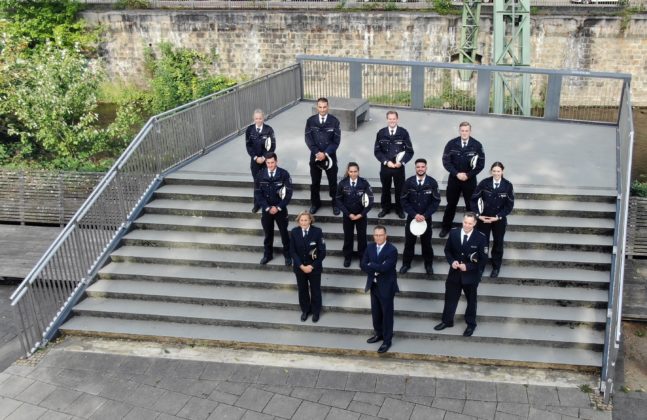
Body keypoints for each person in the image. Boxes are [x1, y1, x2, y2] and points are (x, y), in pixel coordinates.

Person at [434, 212, 488, 337]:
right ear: (462, 221)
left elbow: (483, 259)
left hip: (471, 275)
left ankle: (471, 324)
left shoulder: (481, 237)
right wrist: (451, 261)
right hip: (454, 273)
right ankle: (447, 321)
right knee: (450, 298)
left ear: (474, 223)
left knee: (471, 301)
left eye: (470, 223)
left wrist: (468, 266)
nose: (467, 225)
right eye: (465, 222)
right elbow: (447, 250)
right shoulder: (454, 233)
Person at [439, 121, 485, 238]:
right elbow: (446, 161)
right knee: (451, 204)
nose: (464, 133)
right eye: (462, 131)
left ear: (470, 131)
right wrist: (456, 173)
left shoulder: (477, 145)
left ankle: (473, 229)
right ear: (459, 131)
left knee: (471, 206)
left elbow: (481, 164)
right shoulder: (451, 144)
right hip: (454, 179)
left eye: (467, 131)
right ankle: (446, 227)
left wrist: (468, 175)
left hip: (470, 181)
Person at [470, 162, 514, 278]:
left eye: (498, 171)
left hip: (498, 220)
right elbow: (474, 199)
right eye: (494, 171)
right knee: (483, 244)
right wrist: (478, 215)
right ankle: (480, 266)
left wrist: (498, 217)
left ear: (502, 172)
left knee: (498, 244)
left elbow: (509, 206)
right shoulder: (484, 183)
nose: (496, 173)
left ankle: (496, 267)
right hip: (484, 219)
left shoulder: (508, 185)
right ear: (491, 171)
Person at [361, 225, 399, 353]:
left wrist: (371, 265)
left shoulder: (392, 250)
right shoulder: (370, 247)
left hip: (387, 287)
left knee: (387, 315)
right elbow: (362, 264)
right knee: (376, 312)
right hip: (374, 284)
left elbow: (385, 268)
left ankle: (387, 341)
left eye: (380, 235)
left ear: (385, 235)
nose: (378, 237)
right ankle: (379, 334)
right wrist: (375, 267)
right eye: (376, 235)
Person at [400, 158, 441, 276]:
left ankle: (428, 265)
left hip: (426, 219)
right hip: (412, 218)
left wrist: (425, 215)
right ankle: (406, 264)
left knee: (426, 244)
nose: (420, 169)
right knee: (409, 243)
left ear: (426, 168)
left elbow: (436, 202)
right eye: (418, 167)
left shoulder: (432, 183)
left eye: (423, 167)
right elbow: (403, 200)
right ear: (415, 168)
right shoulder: (408, 182)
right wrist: (414, 214)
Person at [254, 153, 293, 266]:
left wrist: (278, 207)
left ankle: (287, 255)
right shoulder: (260, 175)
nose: (270, 165)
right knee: (268, 234)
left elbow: (289, 193)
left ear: (276, 161)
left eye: (272, 162)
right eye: (268, 163)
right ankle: (267, 255)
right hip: (267, 211)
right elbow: (258, 193)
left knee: (284, 233)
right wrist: (267, 207)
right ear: (265, 162)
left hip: (280, 209)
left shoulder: (284, 174)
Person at [374, 110, 414, 219]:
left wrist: (401, 162)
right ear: (387, 120)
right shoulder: (381, 133)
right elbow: (377, 151)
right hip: (386, 167)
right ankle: (385, 208)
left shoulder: (403, 133)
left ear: (397, 119)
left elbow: (410, 151)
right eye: (390, 119)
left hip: (399, 168)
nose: (392, 121)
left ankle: (399, 209)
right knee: (385, 188)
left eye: (394, 119)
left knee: (400, 189)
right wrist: (386, 162)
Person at [305, 97, 341, 215]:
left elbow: (336, 141)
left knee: (333, 182)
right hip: (315, 156)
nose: (322, 109)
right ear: (317, 107)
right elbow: (308, 139)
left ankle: (335, 204)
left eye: (324, 107)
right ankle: (315, 203)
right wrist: (317, 153)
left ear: (328, 107)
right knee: (315, 182)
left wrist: (325, 153)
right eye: (320, 107)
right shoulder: (310, 121)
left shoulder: (335, 121)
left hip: (330, 156)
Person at [289, 211, 327, 323]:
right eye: (301, 220)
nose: (304, 222)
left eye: (306, 220)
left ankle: (316, 312)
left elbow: (322, 252)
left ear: (310, 220)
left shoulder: (317, 232)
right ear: (298, 221)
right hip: (299, 268)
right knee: (302, 290)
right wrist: (301, 266)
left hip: (314, 268)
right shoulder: (294, 232)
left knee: (315, 290)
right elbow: (292, 251)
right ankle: (305, 310)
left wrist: (311, 266)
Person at [335, 162, 374, 268]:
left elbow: (370, 201)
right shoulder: (342, 183)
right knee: (348, 237)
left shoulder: (364, 183)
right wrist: (348, 214)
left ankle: (363, 258)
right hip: (348, 216)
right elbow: (338, 200)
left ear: (358, 171)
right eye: (351, 171)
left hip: (361, 216)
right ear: (348, 172)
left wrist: (361, 214)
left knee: (362, 237)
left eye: (355, 171)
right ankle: (348, 257)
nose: (353, 174)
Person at [245, 109, 276, 213]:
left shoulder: (269, 130)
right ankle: (257, 204)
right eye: (256, 118)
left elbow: (272, 146)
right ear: (254, 119)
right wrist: (255, 158)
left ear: (264, 118)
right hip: (255, 162)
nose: (258, 120)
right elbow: (248, 146)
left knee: (267, 182)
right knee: (257, 183)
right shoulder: (249, 130)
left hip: (267, 162)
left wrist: (264, 158)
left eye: (260, 118)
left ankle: (268, 204)